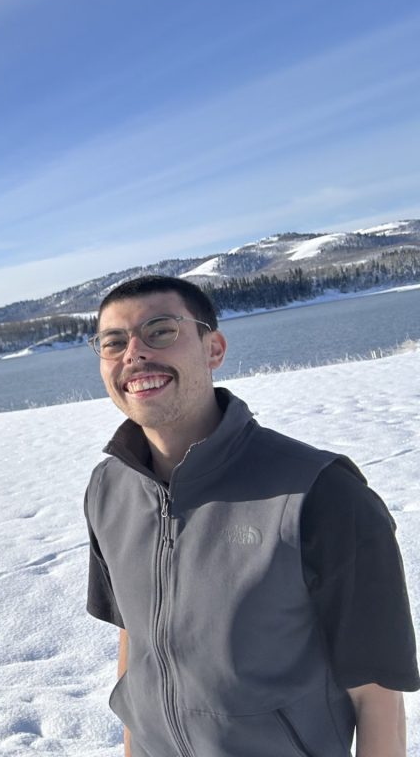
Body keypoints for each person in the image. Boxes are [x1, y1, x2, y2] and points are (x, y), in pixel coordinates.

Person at [83, 275, 418, 757]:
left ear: (213, 348)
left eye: (160, 331)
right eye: (114, 342)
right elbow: (134, 641)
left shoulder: (321, 492)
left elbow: (378, 693)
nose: (134, 354)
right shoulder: (108, 489)